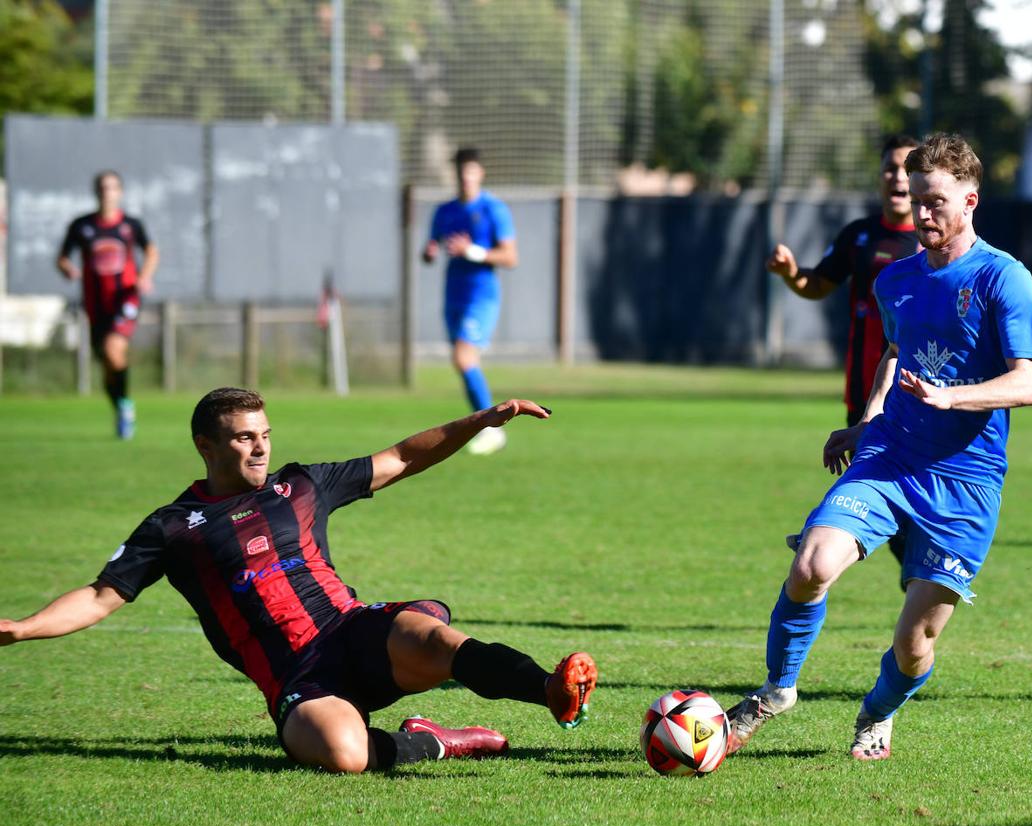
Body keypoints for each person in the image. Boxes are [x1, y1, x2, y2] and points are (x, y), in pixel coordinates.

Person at [0, 387, 598, 773]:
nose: (260, 449)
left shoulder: (301, 485)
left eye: (264, 435)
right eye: (243, 438)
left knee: (435, 639)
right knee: (344, 754)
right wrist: (23, 629)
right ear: (205, 447)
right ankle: (433, 740)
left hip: (353, 631)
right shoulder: (175, 527)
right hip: (296, 675)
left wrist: (484, 419)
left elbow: (402, 458)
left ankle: (548, 689)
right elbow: (103, 595)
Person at [725, 133, 1032, 761]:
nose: (921, 214)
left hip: (966, 482)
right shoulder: (895, 280)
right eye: (917, 200)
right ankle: (777, 691)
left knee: (914, 644)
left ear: (970, 200)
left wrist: (952, 397)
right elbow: (896, 355)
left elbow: (1029, 382)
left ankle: (878, 709)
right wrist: (868, 421)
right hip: (891, 458)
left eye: (935, 202)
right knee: (812, 564)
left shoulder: (1004, 278)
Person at [766, 134, 921, 579]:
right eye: (890, 168)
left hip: (915, 392)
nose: (897, 176)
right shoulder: (860, 236)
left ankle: (826, 530)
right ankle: (914, 576)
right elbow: (818, 285)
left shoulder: (937, 244)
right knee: (881, 485)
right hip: (864, 392)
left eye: (906, 169)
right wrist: (792, 274)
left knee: (888, 486)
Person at [423, 148, 518, 456]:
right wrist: (430, 251)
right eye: (461, 172)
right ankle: (486, 424)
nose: (466, 178)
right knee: (464, 362)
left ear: (480, 174)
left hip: (482, 295)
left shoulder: (493, 209)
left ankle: (492, 429)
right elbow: (433, 244)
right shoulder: (445, 211)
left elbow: (510, 256)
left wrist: (473, 251)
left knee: (463, 358)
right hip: (453, 294)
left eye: (471, 172)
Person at [57, 170, 159, 440]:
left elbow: (151, 251)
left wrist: (144, 276)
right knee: (107, 363)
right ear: (96, 192)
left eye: (112, 187)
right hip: (96, 303)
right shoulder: (82, 226)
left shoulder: (130, 225)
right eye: (103, 187)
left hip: (125, 298)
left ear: (120, 192)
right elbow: (63, 258)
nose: (107, 192)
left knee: (114, 348)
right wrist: (67, 269)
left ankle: (125, 408)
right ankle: (122, 405)